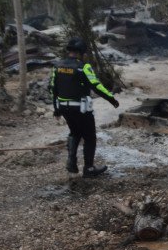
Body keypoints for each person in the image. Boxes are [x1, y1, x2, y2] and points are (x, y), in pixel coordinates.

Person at [49, 37, 119, 177]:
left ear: (69, 51)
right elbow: (96, 85)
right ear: (81, 52)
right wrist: (111, 98)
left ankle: (71, 163)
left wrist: (56, 109)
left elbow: (52, 88)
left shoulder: (57, 66)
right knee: (90, 137)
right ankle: (89, 169)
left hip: (63, 107)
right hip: (81, 108)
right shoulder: (83, 67)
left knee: (74, 132)